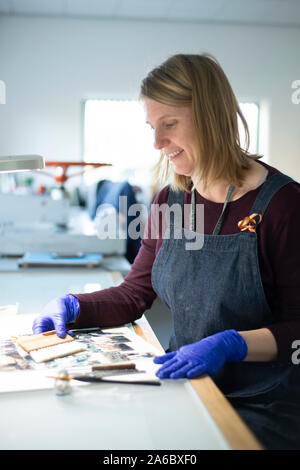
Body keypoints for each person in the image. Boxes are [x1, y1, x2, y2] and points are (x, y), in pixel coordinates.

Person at [32, 53, 300, 450]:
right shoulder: (169, 202)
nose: (157, 143)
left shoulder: (283, 205)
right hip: (186, 385)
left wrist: (234, 344)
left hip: (264, 405)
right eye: (152, 127)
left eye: (169, 124)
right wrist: (75, 305)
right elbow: (133, 294)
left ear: (211, 116)